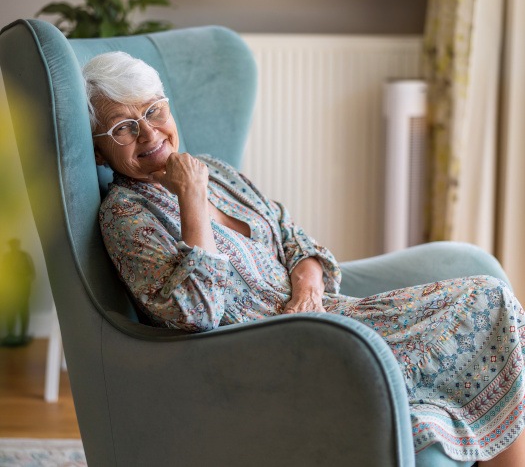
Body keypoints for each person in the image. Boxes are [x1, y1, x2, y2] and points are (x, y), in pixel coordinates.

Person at [84, 51, 525, 466]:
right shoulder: (125, 215)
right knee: (484, 314)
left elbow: (296, 239)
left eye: (153, 110)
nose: (148, 133)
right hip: (277, 356)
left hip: (329, 317)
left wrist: (308, 288)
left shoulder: (212, 170)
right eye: (122, 127)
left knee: (490, 300)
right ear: (100, 151)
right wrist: (191, 200)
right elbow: (195, 314)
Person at [0, 238, 35, 346]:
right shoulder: (6, 257)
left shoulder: (25, 256)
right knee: (10, 311)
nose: (14, 247)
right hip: (10, 290)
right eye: (12, 245)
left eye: (15, 244)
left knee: (23, 311)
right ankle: (10, 334)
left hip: (23, 289)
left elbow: (32, 273)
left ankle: (23, 334)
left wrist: (25, 280)